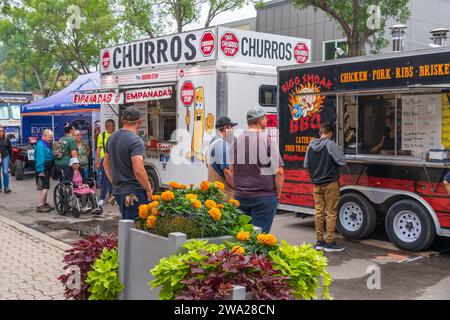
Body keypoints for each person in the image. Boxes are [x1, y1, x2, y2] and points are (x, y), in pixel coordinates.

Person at [232, 107, 284, 233]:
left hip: (240, 197)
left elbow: (230, 169)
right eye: (265, 118)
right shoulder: (267, 140)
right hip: (264, 198)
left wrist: (239, 188)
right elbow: (279, 172)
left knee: (243, 237)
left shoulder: (236, 141)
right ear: (261, 120)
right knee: (260, 240)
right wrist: (278, 194)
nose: (266, 120)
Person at [103, 107, 153, 220]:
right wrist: (149, 190)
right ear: (139, 121)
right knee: (136, 228)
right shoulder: (136, 140)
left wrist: (114, 182)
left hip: (119, 193)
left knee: (126, 226)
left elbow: (106, 164)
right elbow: (139, 170)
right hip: (134, 192)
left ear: (121, 119)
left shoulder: (111, 138)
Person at [304, 122, 347, 253]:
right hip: (330, 183)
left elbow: (306, 164)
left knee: (319, 212)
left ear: (320, 132)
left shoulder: (310, 145)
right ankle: (329, 242)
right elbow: (342, 161)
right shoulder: (330, 144)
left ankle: (319, 241)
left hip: (316, 184)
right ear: (330, 133)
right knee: (331, 212)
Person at [206, 116, 238, 199]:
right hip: (225, 196)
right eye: (232, 127)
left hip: (214, 192)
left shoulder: (212, 142)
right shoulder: (223, 145)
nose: (233, 130)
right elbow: (227, 171)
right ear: (226, 128)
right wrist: (237, 188)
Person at [35, 129, 55, 212]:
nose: (51, 139)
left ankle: (45, 203)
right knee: (45, 187)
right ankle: (40, 205)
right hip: (43, 168)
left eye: (52, 137)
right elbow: (40, 158)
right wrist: (41, 171)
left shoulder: (46, 144)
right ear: (45, 136)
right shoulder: (40, 145)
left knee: (46, 186)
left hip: (47, 167)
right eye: (50, 137)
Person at [96, 119, 115, 206]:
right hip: (105, 159)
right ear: (108, 127)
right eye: (112, 126)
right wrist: (97, 161)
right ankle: (102, 198)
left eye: (113, 125)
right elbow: (98, 149)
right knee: (104, 179)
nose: (114, 127)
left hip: (114, 159)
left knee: (114, 179)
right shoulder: (102, 135)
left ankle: (113, 196)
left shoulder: (116, 135)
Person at [0, 125, 12, 193]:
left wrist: (11, 159)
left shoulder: (6, 139)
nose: (1, 132)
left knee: (5, 171)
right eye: (0, 131)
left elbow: (10, 149)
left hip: (5, 156)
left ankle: (6, 187)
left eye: (2, 131)